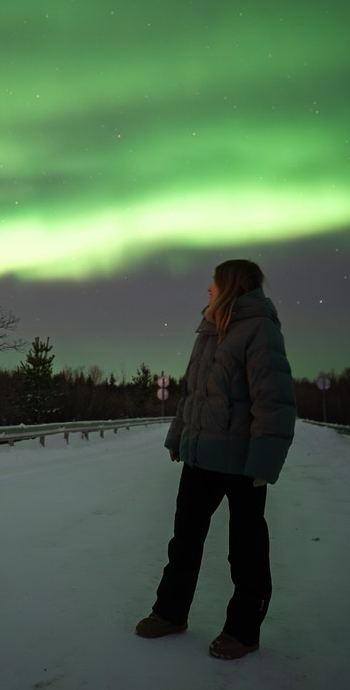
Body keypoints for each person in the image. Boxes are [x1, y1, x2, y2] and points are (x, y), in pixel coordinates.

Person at [136, 258, 296, 660]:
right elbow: (194, 394)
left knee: (246, 550)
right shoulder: (209, 330)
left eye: (214, 281)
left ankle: (243, 631)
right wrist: (179, 438)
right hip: (200, 457)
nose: (208, 287)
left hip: (242, 463)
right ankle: (170, 612)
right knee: (184, 540)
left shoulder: (259, 329)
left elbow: (273, 400)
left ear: (231, 285)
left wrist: (264, 463)